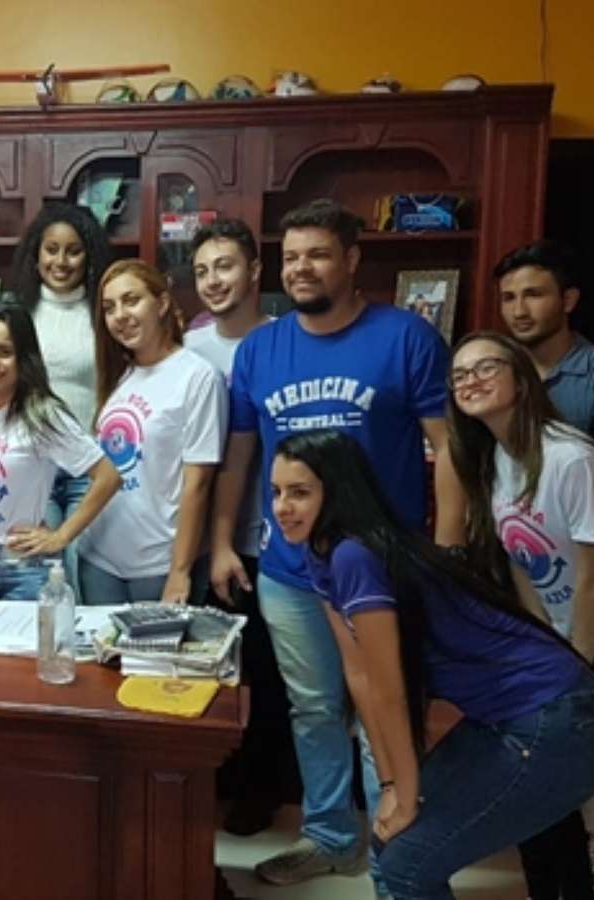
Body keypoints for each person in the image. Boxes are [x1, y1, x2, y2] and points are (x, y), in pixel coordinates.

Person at [211, 199, 464, 888]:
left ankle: (398, 848)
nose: (301, 268)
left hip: (381, 570)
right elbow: (239, 455)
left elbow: (450, 448)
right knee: (314, 708)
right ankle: (330, 836)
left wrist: (444, 554)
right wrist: (223, 540)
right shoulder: (260, 349)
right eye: (291, 257)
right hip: (290, 571)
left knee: (385, 708)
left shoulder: (406, 337)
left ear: (352, 260)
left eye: (317, 254)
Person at [271, 428, 594, 900]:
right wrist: (391, 783)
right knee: (394, 850)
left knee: (407, 863)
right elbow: (359, 674)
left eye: (299, 492)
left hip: (560, 718)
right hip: (521, 717)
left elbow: (389, 687)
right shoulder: (321, 551)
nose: (282, 507)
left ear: (337, 491)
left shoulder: (355, 555)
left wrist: (405, 796)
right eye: (276, 492)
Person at [448, 331, 594, 899]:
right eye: (460, 375)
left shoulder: (572, 458)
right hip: (561, 644)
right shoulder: (498, 458)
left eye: (485, 368)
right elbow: (520, 562)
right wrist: (541, 644)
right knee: (539, 790)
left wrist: (574, 669)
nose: (470, 381)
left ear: (521, 379)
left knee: (557, 780)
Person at [185, 219, 294, 837]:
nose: (213, 281)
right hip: (200, 536)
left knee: (268, 672)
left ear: (255, 271)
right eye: (201, 270)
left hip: (266, 535)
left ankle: (264, 787)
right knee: (211, 666)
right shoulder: (190, 347)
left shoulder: (284, 341)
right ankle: (218, 776)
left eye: (224, 266)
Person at [80, 259, 226, 605]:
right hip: (99, 559)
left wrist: (180, 571)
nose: (120, 315)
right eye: (109, 308)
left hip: (158, 563)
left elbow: (198, 484)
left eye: (131, 300)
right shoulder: (119, 374)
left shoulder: (197, 376)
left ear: (161, 304)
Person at [0, 302, 120, 601]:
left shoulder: (42, 413)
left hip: (27, 568)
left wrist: (61, 536)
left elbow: (108, 477)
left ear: (24, 357)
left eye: (4, 352)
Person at [8, 202, 113, 601]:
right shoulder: (17, 312)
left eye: (73, 251)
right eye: (51, 249)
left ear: (89, 256)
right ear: (36, 254)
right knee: (42, 573)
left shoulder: (104, 313)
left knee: (82, 572)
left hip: (89, 465)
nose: (61, 261)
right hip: (32, 465)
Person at [496, 239, 594, 436]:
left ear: (568, 300)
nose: (519, 311)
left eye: (533, 295)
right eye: (509, 298)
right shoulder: (495, 372)